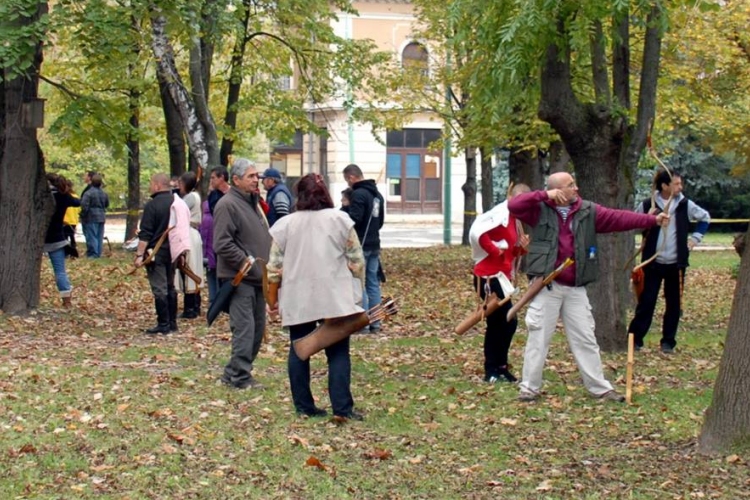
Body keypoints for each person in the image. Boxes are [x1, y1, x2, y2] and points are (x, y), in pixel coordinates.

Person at [508, 172, 670, 403]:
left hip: (575, 287)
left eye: (574, 184)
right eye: (569, 185)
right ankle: (529, 389)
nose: (575, 188)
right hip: (546, 286)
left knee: (585, 338)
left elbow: (618, 218)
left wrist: (651, 221)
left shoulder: (587, 210)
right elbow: (514, 205)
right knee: (538, 338)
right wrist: (545, 195)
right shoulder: (538, 208)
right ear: (556, 190)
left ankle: (600, 388)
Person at [267, 173, 366, 420]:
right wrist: (358, 290)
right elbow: (356, 260)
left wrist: (272, 298)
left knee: (300, 349)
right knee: (338, 352)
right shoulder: (340, 220)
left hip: (297, 295)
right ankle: (342, 408)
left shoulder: (286, 225)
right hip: (335, 295)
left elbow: (274, 266)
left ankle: (304, 406)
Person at [628, 169, 710, 354]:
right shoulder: (649, 203)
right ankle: (635, 340)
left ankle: (668, 342)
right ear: (665, 186)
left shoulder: (684, 204)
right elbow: (633, 225)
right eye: (676, 184)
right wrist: (648, 219)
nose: (680, 187)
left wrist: (694, 240)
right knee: (646, 302)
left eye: (680, 184)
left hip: (676, 264)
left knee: (674, 304)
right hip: (652, 263)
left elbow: (705, 218)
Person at [213, 158, 271, 389]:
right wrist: (247, 263)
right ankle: (239, 377)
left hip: (258, 278)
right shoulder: (228, 205)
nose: (256, 180)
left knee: (256, 330)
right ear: (236, 180)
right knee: (245, 330)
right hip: (240, 279)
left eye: (256, 175)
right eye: (250, 176)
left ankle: (233, 372)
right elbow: (222, 243)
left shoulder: (252, 202)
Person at [468, 184, 530, 383]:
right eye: (519, 198)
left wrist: (520, 249)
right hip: (488, 277)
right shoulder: (499, 215)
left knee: (504, 322)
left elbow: (512, 251)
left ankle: (500, 366)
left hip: (503, 278)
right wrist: (496, 251)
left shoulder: (515, 220)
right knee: (504, 321)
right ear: (511, 196)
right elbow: (479, 233)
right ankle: (492, 368)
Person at [343, 163, 385, 332]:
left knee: (359, 284)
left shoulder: (359, 194)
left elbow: (355, 219)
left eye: (347, 180)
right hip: (375, 242)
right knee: (373, 283)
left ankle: (363, 323)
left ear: (352, 177)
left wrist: (344, 213)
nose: (348, 184)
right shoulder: (377, 195)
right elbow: (380, 220)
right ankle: (376, 322)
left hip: (360, 243)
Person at [134, 173, 178, 335]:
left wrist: (139, 255)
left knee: (160, 289)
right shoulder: (177, 203)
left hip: (155, 253)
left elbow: (145, 234)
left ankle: (164, 324)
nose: (150, 187)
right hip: (173, 251)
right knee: (170, 286)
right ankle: (172, 322)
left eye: (151, 183)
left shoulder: (152, 206)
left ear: (158, 185)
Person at [44, 173, 81, 308]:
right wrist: (67, 191)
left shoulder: (41, 196)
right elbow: (77, 202)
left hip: (38, 239)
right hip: (56, 238)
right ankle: (66, 301)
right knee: (60, 271)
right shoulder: (63, 196)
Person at [175, 171, 203, 319]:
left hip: (189, 234)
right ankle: (195, 305)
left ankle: (190, 307)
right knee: (193, 268)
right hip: (193, 234)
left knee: (188, 269)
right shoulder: (194, 196)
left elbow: (178, 210)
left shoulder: (190, 197)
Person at [80, 173, 109, 258]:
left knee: (92, 236)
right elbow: (107, 204)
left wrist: (83, 214)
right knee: (99, 236)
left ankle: (93, 254)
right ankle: (98, 252)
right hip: (101, 216)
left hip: (91, 216)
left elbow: (84, 206)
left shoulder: (88, 193)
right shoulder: (104, 194)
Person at [199, 197, 218, 307]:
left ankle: (212, 300)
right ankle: (217, 301)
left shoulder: (204, 218)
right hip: (216, 253)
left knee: (210, 274)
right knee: (217, 276)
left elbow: (204, 237)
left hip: (207, 254)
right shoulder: (216, 217)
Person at [62, 179, 81, 259]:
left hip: (66, 220)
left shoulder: (66, 197)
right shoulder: (76, 197)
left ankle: (66, 253)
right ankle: (73, 252)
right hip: (74, 220)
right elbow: (79, 209)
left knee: (65, 237)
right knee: (72, 236)